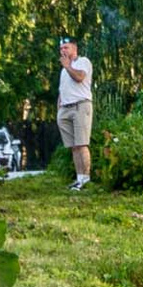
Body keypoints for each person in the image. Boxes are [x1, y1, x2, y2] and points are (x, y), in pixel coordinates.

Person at [56, 36, 95, 192]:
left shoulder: (83, 62)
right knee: (73, 146)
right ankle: (79, 178)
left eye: (66, 47)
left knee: (82, 144)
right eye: (61, 49)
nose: (63, 51)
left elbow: (79, 77)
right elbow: (62, 90)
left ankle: (86, 178)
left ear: (75, 48)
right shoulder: (63, 70)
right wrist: (58, 108)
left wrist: (68, 66)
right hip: (65, 107)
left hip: (80, 106)